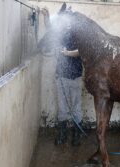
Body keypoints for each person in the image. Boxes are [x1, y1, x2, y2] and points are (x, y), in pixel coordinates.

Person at [41, 7, 84, 146]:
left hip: (76, 76)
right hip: (61, 76)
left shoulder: (78, 34)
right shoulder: (60, 32)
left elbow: (80, 51)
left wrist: (66, 53)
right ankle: (62, 133)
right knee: (62, 107)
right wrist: (46, 17)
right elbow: (50, 29)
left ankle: (77, 134)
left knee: (76, 107)